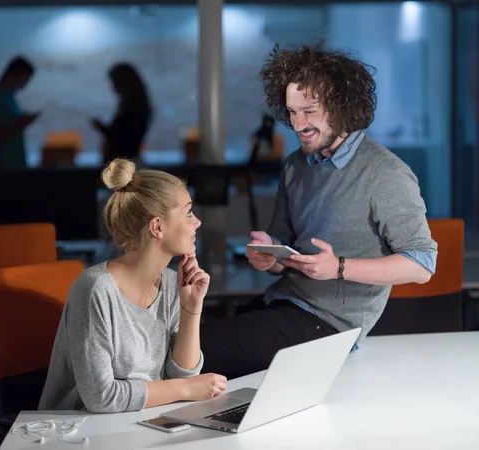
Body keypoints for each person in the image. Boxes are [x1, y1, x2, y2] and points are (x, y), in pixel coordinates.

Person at [200, 43, 438, 380]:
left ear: (343, 107)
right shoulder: (296, 165)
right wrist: (271, 256)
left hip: (330, 324)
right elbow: (285, 245)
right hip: (282, 301)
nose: (297, 124)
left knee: (196, 353)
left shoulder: (385, 172)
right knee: (182, 343)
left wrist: (338, 267)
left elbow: (421, 265)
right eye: (292, 112)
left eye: (309, 111)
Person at [39, 159, 227, 413]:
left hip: (141, 420)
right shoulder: (96, 288)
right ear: (158, 227)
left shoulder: (172, 283)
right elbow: (100, 397)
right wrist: (186, 389)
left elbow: (182, 373)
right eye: (188, 213)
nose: (197, 222)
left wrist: (191, 309)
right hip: (79, 430)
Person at [0, 56, 39, 170]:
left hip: (14, 164)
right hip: (0, 167)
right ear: (14, 75)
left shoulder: (9, 98)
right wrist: (19, 124)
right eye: (25, 79)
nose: (25, 85)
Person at [91, 63, 152, 164]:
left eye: (115, 81)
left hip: (124, 163)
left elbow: (123, 139)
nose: (113, 86)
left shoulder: (134, 108)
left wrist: (102, 128)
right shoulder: (136, 106)